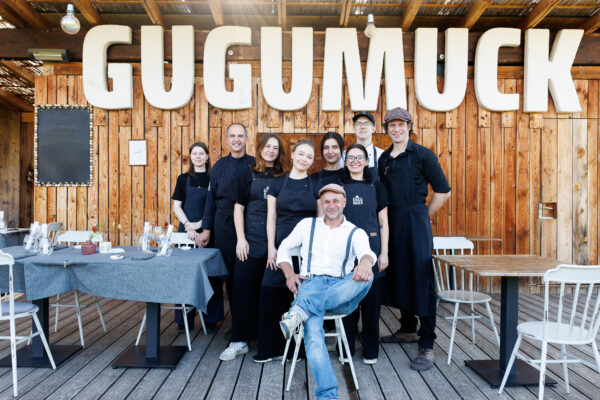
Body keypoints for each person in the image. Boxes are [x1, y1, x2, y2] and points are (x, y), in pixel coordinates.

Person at [277, 184, 376, 400]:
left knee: (368, 277)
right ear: (321, 204)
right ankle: (327, 395)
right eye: (327, 202)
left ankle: (299, 311)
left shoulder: (355, 232)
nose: (331, 205)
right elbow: (283, 248)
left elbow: (367, 253)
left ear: (344, 202)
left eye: (336, 201)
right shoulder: (307, 225)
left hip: (341, 291)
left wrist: (366, 263)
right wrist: (289, 274)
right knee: (313, 338)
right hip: (310, 284)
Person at [378, 107, 451, 371]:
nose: (396, 129)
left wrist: (422, 215)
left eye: (401, 124)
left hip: (415, 220)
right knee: (398, 274)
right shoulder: (384, 158)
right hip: (391, 223)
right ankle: (407, 328)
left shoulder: (423, 154)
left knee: (422, 279)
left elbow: (443, 190)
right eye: (392, 125)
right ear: (386, 129)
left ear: (409, 127)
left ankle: (427, 343)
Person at [219, 133, 287, 361]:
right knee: (242, 291)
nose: (271, 150)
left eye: (275, 147)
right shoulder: (246, 173)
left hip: (275, 245)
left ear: (279, 152)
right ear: (260, 149)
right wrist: (241, 239)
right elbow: (238, 208)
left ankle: (269, 342)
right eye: (267, 146)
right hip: (250, 242)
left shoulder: (283, 177)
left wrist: (277, 246)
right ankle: (239, 341)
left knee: (271, 295)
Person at [254, 139, 320, 362]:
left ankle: (295, 352)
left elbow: (320, 221)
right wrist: (271, 247)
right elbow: (271, 218)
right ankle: (269, 349)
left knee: (298, 297)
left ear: (312, 162)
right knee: (270, 291)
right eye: (300, 154)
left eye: (309, 156)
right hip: (280, 247)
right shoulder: (277, 183)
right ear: (292, 155)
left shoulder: (315, 185)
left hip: (306, 251)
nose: (304, 159)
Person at [195, 123, 255, 327]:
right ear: (227, 139)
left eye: (240, 136)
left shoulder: (254, 164)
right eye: (233, 136)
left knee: (245, 275)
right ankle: (234, 324)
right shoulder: (219, 166)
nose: (236, 139)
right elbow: (210, 199)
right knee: (227, 274)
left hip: (248, 224)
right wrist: (206, 230)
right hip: (223, 225)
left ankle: (248, 324)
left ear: (246, 139)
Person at [339, 143, 389, 365]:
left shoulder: (376, 185)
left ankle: (371, 350)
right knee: (347, 302)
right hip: (345, 250)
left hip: (372, 247)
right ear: (345, 160)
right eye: (351, 157)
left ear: (367, 161)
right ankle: (346, 348)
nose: (355, 161)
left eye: (359, 157)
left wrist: (384, 252)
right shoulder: (338, 185)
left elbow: (383, 222)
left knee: (371, 303)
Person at [171, 142, 211, 331]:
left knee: (208, 276)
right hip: (185, 233)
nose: (198, 156)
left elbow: (214, 206)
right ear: (191, 157)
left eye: (201, 153)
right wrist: (188, 225)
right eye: (195, 153)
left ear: (207, 157)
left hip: (207, 230)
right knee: (184, 275)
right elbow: (177, 206)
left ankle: (210, 319)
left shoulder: (213, 179)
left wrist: (201, 225)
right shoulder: (183, 178)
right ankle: (184, 320)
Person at [339, 112, 384, 178]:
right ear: (354, 129)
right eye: (358, 124)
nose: (362, 127)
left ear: (373, 129)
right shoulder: (344, 156)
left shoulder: (382, 155)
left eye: (367, 123)